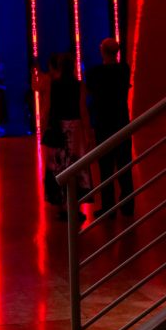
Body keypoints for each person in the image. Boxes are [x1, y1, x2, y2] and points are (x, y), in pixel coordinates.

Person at [85, 38, 134, 217]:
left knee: (105, 167)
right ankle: (128, 204)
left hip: (103, 122)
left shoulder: (95, 73)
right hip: (121, 120)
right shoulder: (124, 70)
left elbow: (91, 93)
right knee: (124, 164)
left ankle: (108, 206)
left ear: (103, 51)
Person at [43, 53, 93, 220]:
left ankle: (62, 206)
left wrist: (45, 128)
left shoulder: (55, 85)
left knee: (59, 166)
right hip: (76, 128)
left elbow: (50, 108)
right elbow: (83, 110)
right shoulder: (79, 86)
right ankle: (75, 207)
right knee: (76, 165)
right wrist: (88, 132)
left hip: (59, 128)